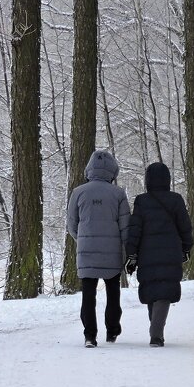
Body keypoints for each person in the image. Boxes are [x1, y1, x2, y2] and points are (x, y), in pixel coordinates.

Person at [125, 162, 194, 348]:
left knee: (152, 290)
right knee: (164, 292)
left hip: (146, 253)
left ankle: (155, 331)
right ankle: (156, 333)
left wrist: (131, 253)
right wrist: (187, 247)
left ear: (148, 180)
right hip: (171, 252)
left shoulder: (141, 201)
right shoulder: (176, 200)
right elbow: (185, 227)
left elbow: (135, 230)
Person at [66, 149, 130, 348]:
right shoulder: (119, 194)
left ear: (89, 169)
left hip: (86, 251)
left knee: (88, 294)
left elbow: (71, 224)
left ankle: (89, 336)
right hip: (112, 251)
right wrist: (123, 247)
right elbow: (125, 226)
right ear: (113, 170)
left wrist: (83, 239)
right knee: (113, 292)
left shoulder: (78, 192)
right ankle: (112, 331)